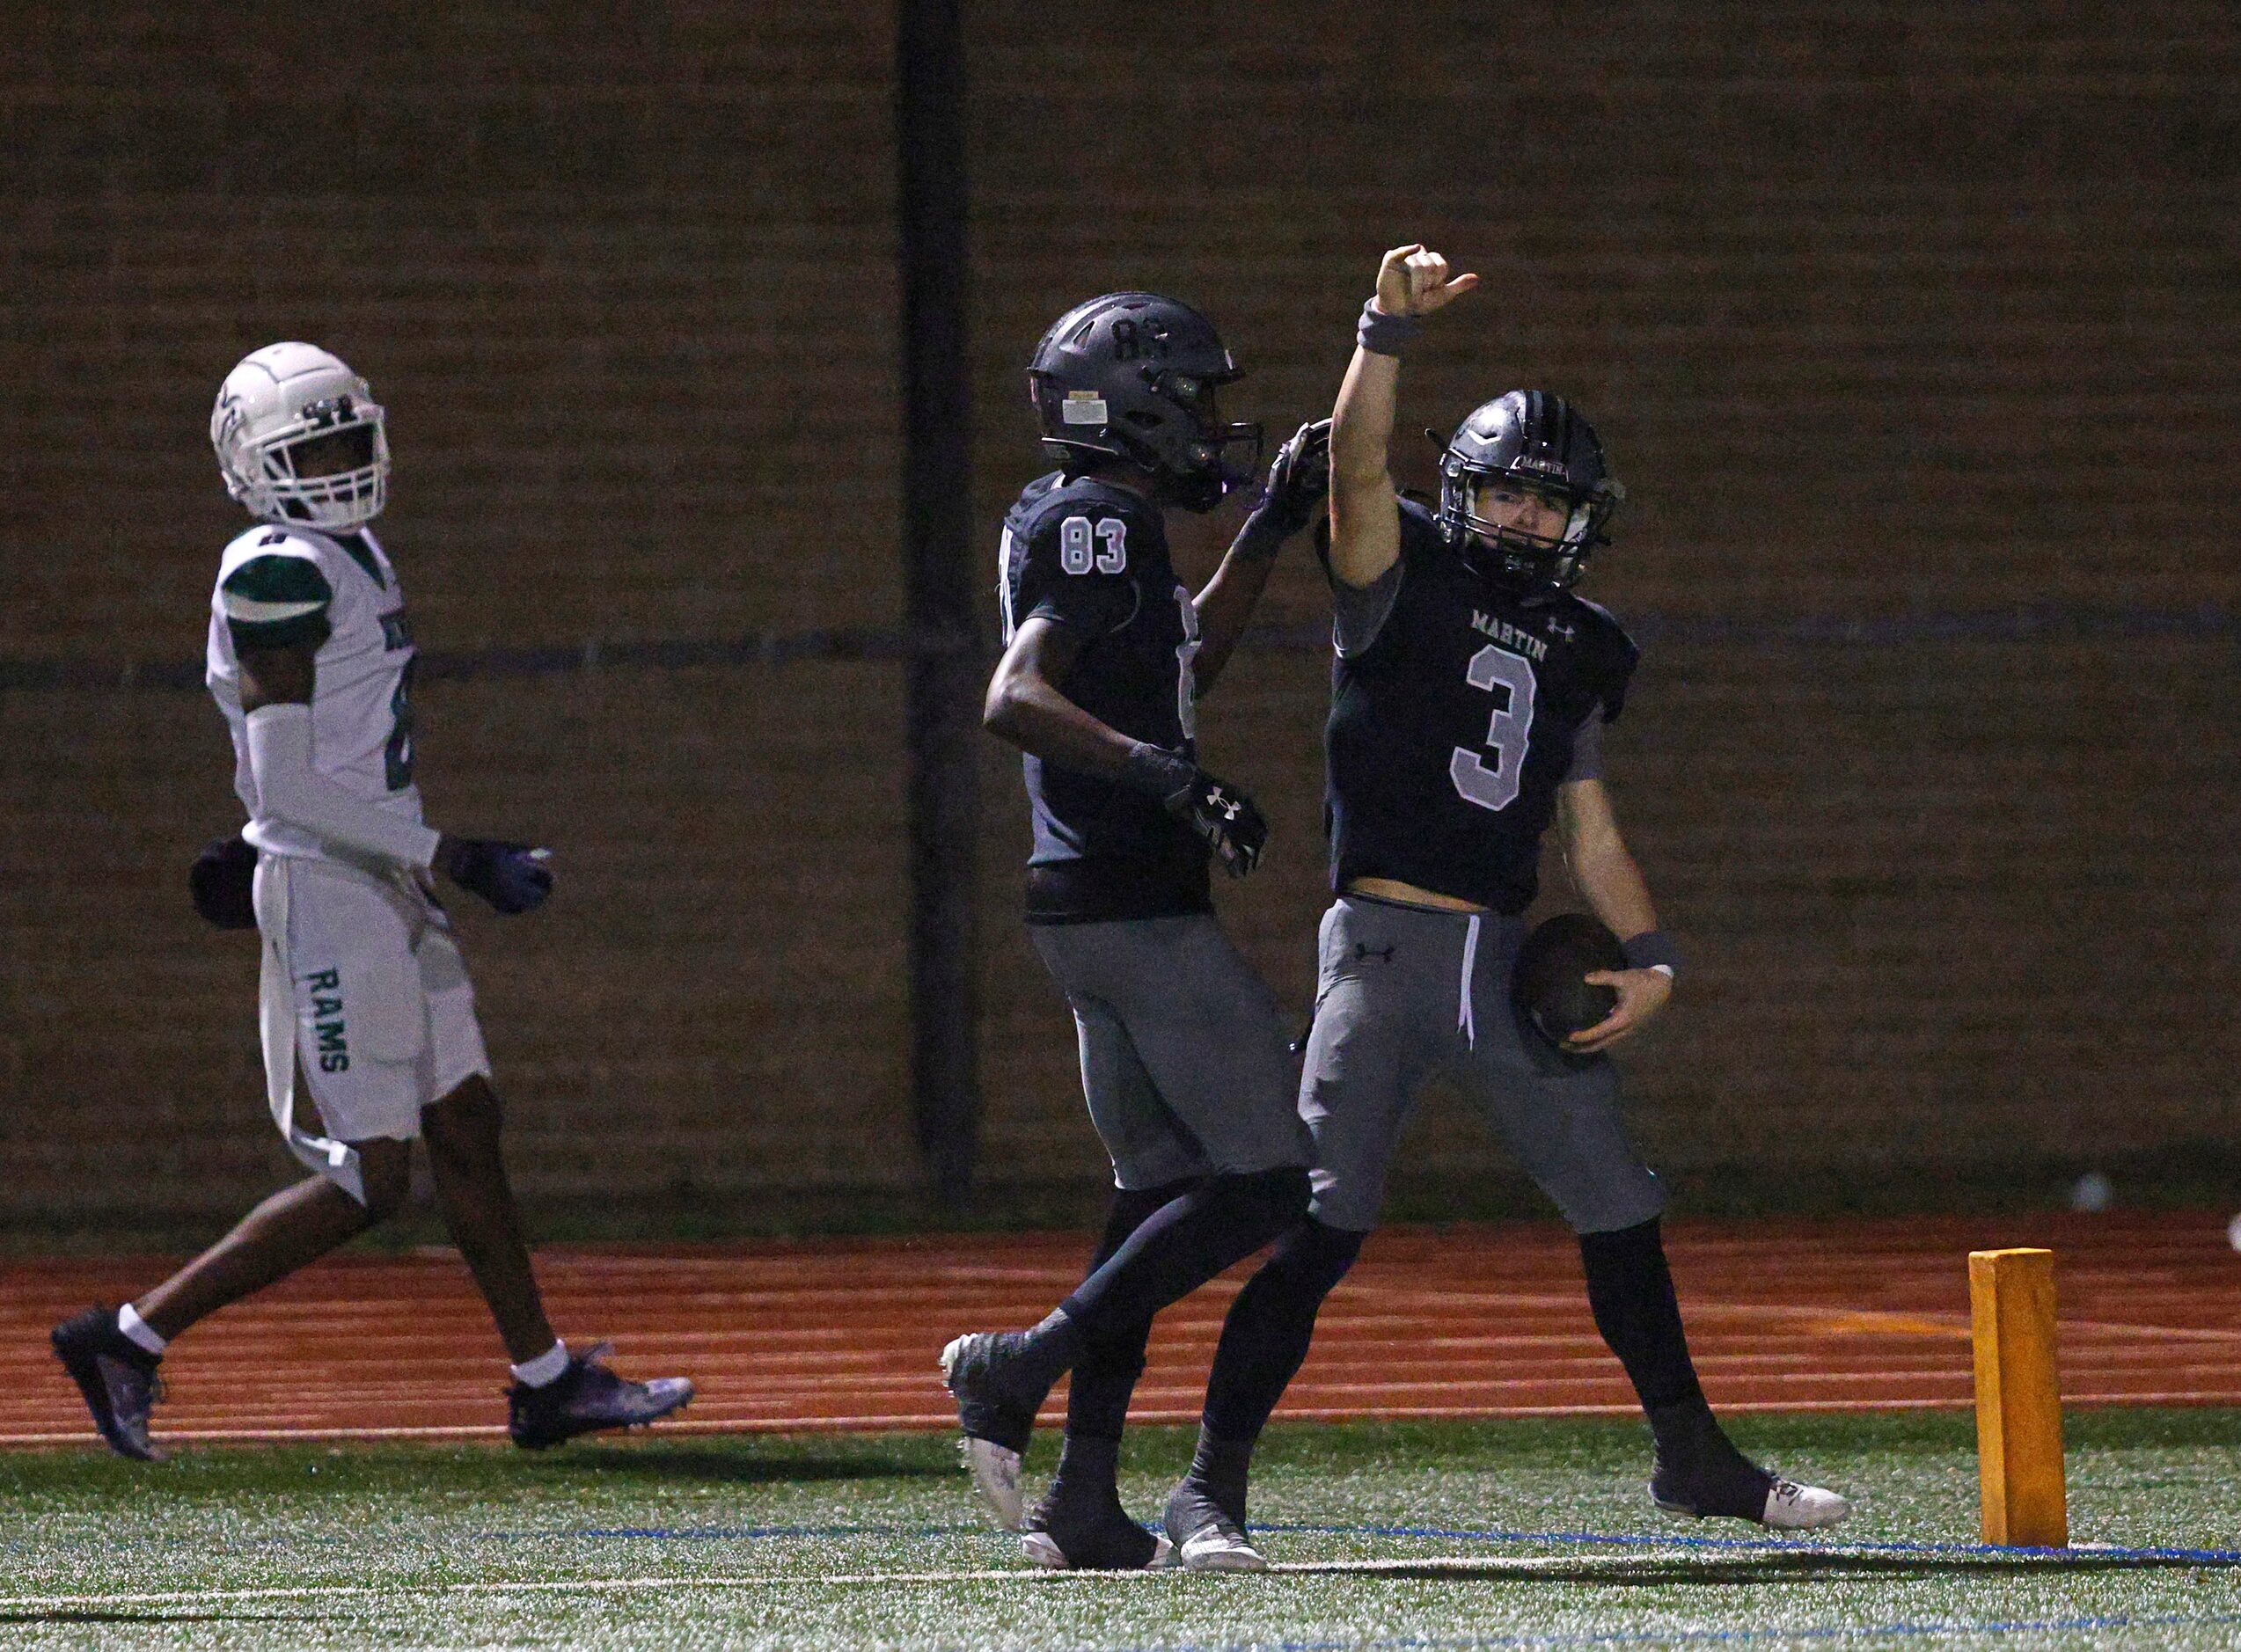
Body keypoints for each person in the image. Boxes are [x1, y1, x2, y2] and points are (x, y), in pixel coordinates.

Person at [1169, 246, 1852, 1546]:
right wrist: (1382, 330)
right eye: (1508, 495)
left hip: (1496, 960)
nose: (1529, 521)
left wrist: (1652, 955)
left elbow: (1584, 827)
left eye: (1551, 504)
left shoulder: (1589, 644)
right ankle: (1209, 1481)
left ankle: (1692, 1457)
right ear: (1462, 490)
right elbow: (1357, 464)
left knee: (1618, 1204)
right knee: (1318, 1224)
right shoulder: (1398, 570)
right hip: (1373, 950)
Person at [50, 342, 693, 1461]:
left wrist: (326, 834)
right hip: (340, 886)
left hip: (370, 871)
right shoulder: (277, 566)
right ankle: (129, 1335)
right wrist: (453, 853)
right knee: (368, 1179)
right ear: (255, 465)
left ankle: (544, 1384)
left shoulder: (342, 552)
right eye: (315, 448)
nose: (343, 464)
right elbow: (291, 774)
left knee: (469, 1122)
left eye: (351, 438)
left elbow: (307, 761)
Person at [942, 293, 1326, 1572]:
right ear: (1134, 401)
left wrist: (1266, 532)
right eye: (1194, 398)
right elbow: (1014, 695)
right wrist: (1172, 780)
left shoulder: (1084, 514)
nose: (1210, 422)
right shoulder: (1098, 519)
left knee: (1154, 1196)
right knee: (1268, 1179)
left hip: (1084, 902)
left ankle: (1082, 1501)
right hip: (1130, 898)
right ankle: (1018, 1367)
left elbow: (1177, 665)